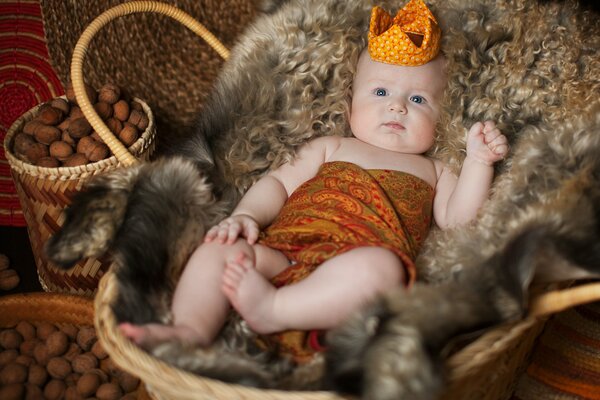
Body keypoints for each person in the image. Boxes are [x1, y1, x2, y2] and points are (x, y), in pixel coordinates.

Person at [120, 1, 509, 361]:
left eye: (419, 100)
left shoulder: (435, 170)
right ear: (351, 102)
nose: (397, 106)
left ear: (440, 119)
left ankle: (274, 310)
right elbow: (277, 184)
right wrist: (247, 218)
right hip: (285, 252)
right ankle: (190, 329)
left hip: (353, 266)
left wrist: (478, 162)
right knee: (217, 250)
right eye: (380, 91)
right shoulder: (331, 146)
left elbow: (459, 221)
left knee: (384, 271)